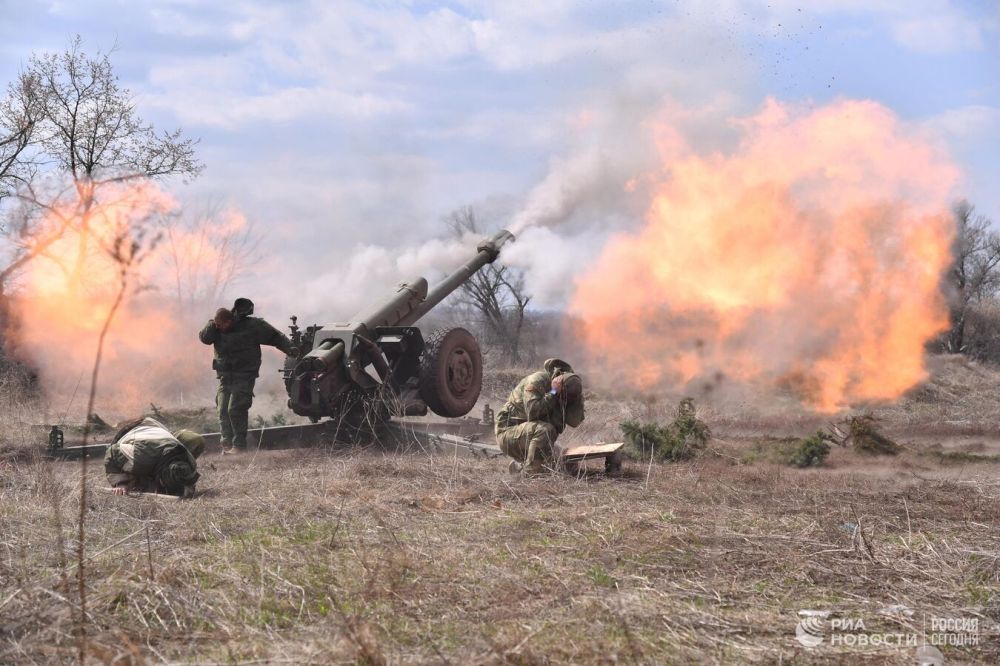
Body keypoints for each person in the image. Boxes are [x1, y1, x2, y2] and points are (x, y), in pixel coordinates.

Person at [198, 298, 297, 453]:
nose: (219, 328)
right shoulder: (215, 328)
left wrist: (291, 349)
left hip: (244, 374)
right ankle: (226, 443)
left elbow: (275, 336)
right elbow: (205, 338)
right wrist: (213, 324)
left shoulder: (252, 326)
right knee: (222, 409)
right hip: (225, 376)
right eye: (217, 325)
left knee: (235, 408)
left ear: (229, 321)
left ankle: (239, 445)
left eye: (221, 325)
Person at [495, 358, 585, 474]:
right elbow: (533, 412)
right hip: (508, 432)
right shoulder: (537, 381)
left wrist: (578, 398)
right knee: (545, 431)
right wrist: (553, 392)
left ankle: (519, 466)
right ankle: (530, 474)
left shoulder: (567, 393)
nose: (563, 398)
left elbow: (574, 421)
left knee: (568, 463)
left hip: (531, 435)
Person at [104, 417, 205, 497]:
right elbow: (112, 452)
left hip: (164, 434)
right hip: (136, 429)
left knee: (195, 440)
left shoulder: (189, 465)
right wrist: (121, 483)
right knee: (137, 472)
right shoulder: (141, 459)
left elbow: (187, 486)